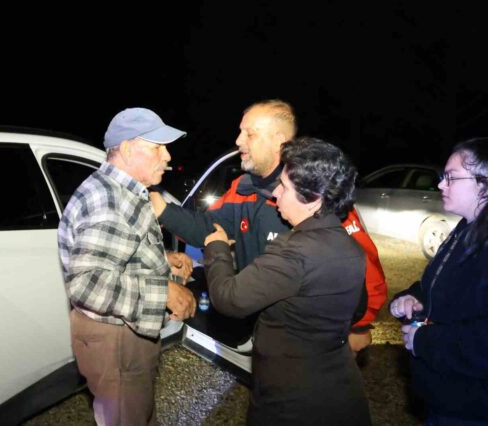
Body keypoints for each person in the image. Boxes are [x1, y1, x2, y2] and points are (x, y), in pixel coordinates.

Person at [151, 99, 387, 353]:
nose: (239, 141)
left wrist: (358, 327)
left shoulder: (311, 196)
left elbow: (362, 268)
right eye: (240, 132)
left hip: (305, 342)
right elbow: (207, 228)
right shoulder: (243, 188)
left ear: (279, 142)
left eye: (250, 134)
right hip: (262, 326)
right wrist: (163, 209)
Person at [203, 137, 371, 425]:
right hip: (340, 390)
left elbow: (229, 299)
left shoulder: (294, 250)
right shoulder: (350, 247)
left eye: (284, 186)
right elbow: (356, 309)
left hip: (292, 401)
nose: (274, 194)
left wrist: (217, 247)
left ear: (314, 199)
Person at [58, 107, 197, 426]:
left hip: (120, 335)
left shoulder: (119, 190)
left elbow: (117, 251)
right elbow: (88, 284)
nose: (167, 156)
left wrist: (162, 259)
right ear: (128, 148)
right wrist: (163, 292)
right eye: (157, 147)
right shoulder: (110, 200)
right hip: (116, 339)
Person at [389, 138, 488, 424]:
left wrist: (424, 341)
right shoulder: (466, 228)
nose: (441, 185)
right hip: (449, 400)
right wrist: (412, 297)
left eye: (451, 177)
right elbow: (443, 288)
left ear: (484, 184)